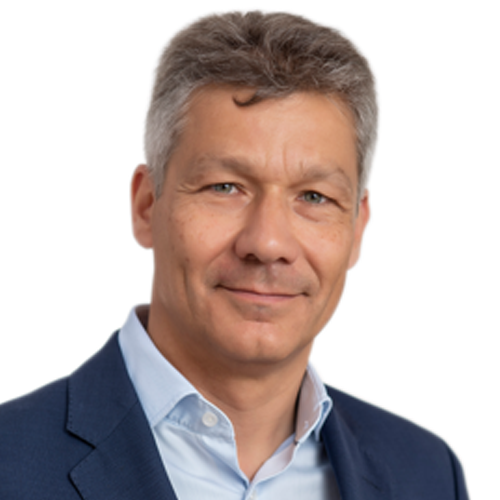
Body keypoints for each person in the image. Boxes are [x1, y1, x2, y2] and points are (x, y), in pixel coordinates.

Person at [0, 11, 468, 500]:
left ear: (356, 229)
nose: (268, 244)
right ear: (146, 205)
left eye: (314, 197)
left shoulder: (427, 475)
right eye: (225, 187)